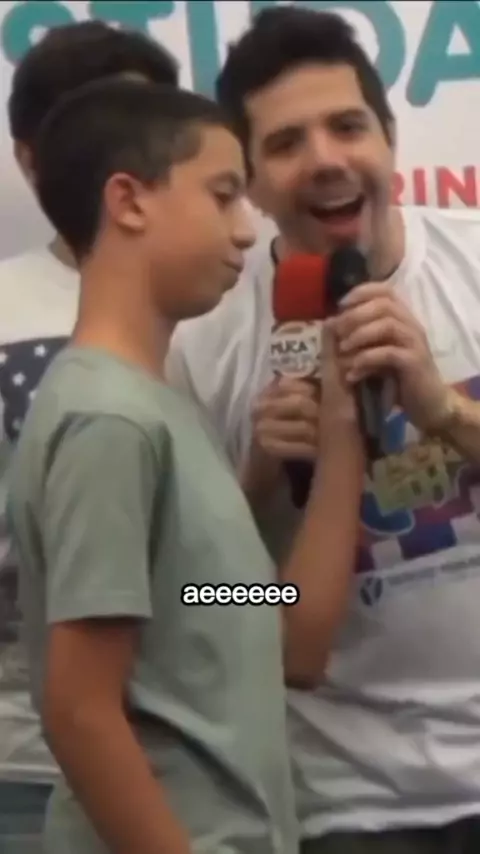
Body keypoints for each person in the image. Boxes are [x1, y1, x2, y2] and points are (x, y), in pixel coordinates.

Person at [6, 75, 366, 854]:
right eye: (224, 195)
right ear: (129, 201)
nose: (246, 232)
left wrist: (341, 425)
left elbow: (265, 625)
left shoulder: (162, 407)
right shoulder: (109, 420)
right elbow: (81, 710)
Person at [166, 6, 480, 854]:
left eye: (347, 127)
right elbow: (198, 600)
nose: (326, 160)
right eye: (286, 143)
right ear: (251, 183)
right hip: (341, 804)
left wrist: (446, 412)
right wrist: (253, 490)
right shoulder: (201, 343)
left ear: (390, 140)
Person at [0, 20, 178, 851]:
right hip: (30, 773)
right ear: (30, 158)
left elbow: (226, 580)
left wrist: (261, 602)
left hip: (219, 762)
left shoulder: (225, 302)